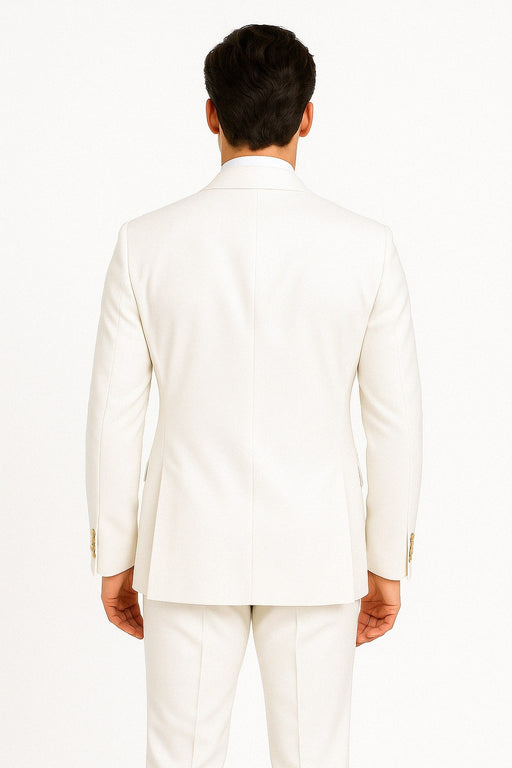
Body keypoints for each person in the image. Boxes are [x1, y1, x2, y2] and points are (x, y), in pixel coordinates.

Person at [85, 22, 422, 768]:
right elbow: (394, 422)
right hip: (318, 549)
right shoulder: (367, 247)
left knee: (180, 757)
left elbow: (114, 416)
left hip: (185, 547)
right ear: (307, 116)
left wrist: (116, 553)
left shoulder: (145, 242)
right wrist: (385, 562)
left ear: (211, 114)